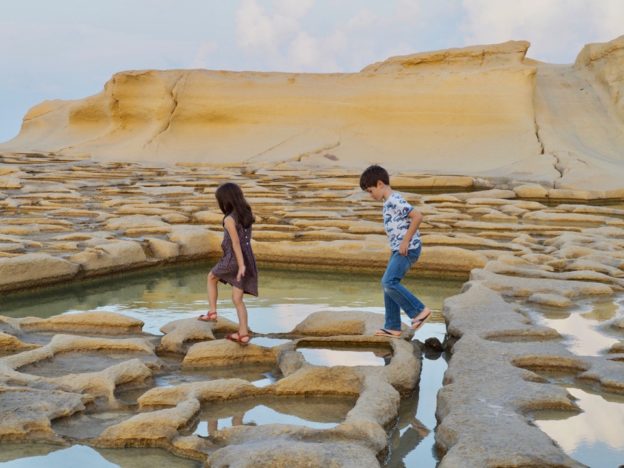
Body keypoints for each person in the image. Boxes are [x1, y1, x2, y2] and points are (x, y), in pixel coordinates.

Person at [359, 165, 431, 338]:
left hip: (408, 249)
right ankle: (392, 326)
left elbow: (418, 216)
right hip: (398, 249)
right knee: (388, 284)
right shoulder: (388, 201)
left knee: (389, 282)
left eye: (370, 191)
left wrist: (405, 241)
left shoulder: (394, 200)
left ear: (380, 184)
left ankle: (420, 311)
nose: (370, 195)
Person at [198, 182, 258, 346]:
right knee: (237, 300)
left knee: (211, 277)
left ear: (225, 201)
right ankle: (243, 334)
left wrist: (240, 265)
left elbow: (236, 242)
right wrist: (245, 263)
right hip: (247, 257)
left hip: (233, 258)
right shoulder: (246, 213)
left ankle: (212, 312)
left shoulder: (229, 219)